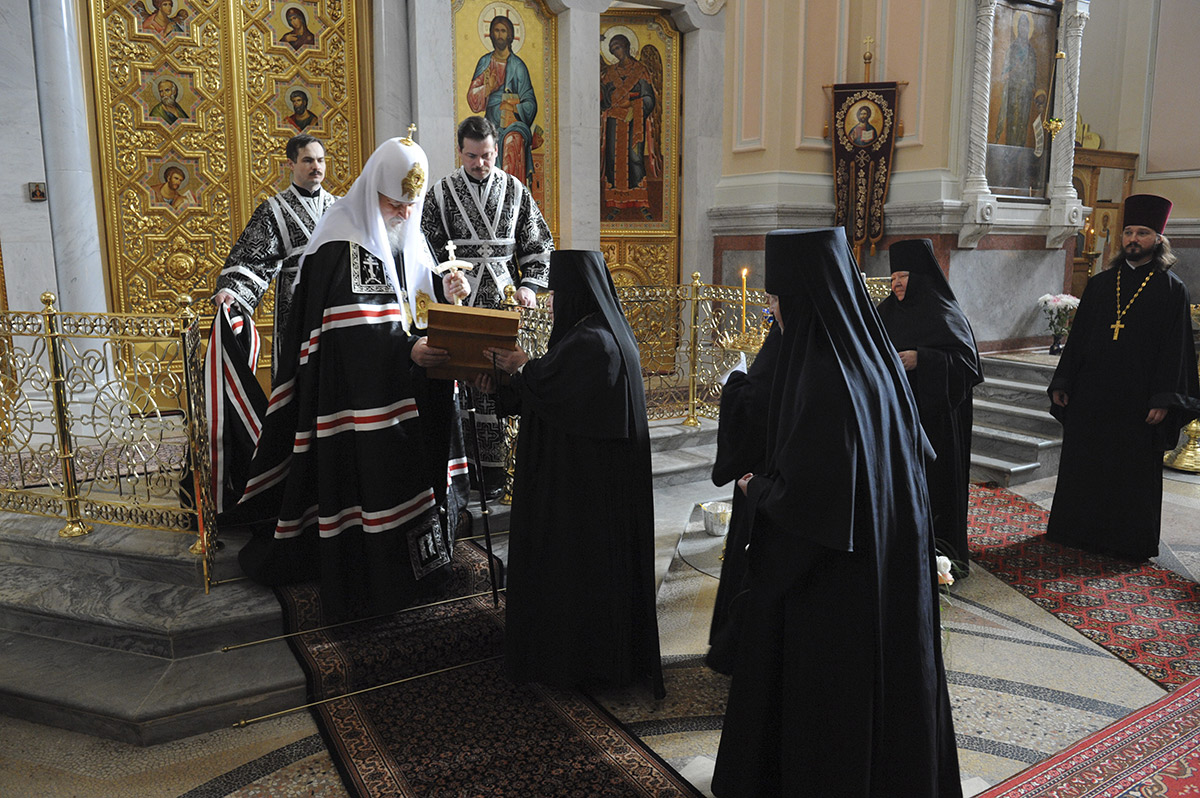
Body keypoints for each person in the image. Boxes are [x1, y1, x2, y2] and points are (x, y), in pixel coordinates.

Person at [710, 227, 961, 798]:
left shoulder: (824, 377)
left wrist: (756, 490)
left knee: (830, 717)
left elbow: (807, 509)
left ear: (801, 299)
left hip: (836, 590)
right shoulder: (874, 358)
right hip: (888, 570)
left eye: (777, 300)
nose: (773, 312)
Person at [235, 133, 472, 620]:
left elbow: (416, 300)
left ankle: (427, 559)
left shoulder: (407, 230)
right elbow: (350, 330)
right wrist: (409, 349)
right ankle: (379, 574)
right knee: (376, 480)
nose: (404, 214)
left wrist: (449, 293)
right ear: (373, 191)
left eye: (411, 205)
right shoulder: (342, 238)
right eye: (395, 203)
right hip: (358, 393)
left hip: (413, 383)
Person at [480, 249, 664, 698]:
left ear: (576, 293)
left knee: (579, 580)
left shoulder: (594, 342)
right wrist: (508, 379)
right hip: (590, 489)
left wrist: (520, 368)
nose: (549, 304)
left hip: (584, 496)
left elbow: (550, 384)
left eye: (555, 295)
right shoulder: (595, 332)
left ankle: (579, 663)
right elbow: (547, 388)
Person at [1047, 194, 1200, 562]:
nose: (1133, 239)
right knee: (1086, 464)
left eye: (1142, 233)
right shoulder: (1101, 284)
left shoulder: (1171, 289)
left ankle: (1126, 542)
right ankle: (1075, 530)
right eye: (1129, 231)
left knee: (1129, 472)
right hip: (1091, 396)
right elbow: (1079, 339)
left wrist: (1164, 398)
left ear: (1158, 240)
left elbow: (1176, 350)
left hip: (1138, 402)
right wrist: (1063, 382)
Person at [422, 115, 553, 497]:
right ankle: (472, 478)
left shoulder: (515, 190)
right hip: (461, 306)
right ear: (460, 152)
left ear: (496, 150)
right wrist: (442, 284)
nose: (480, 163)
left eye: (487, 155)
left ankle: (513, 471)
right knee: (468, 387)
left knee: (507, 381)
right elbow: (423, 251)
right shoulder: (440, 194)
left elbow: (538, 246)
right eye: (472, 156)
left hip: (506, 305)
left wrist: (529, 286)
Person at [877, 238, 983, 573]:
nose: (896, 283)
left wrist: (922, 359)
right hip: (897, 418)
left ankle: (941, 559)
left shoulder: (944, 311)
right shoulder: (884, 312)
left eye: (903, 276)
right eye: (893, 276)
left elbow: (968, 366)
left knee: (934, 489)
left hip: (937, 424)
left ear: (921, 278)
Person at [213, 134, 336, 381]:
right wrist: (233, 290)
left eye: (321, 160)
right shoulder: (274, 209)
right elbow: (253, 258)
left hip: (335, 301)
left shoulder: (340, 207)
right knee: (299, 369)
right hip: (296, 302)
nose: (316, 167)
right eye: (308, 160)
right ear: (291, 164)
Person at [705, 323, 781, 675]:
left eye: (775, 301)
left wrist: (734, 384)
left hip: (769, 480)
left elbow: (757, 403)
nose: (771, 308)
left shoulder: (789, 336)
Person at [466, 15, 537, 184]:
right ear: (491, 34)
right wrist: (487, 88)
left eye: (503, 31)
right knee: (485, 142)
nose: (500, 35)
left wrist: (514, 108)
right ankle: (489, 192)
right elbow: (472, 99)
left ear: (510, 35)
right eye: (496, 31)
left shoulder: (518, 66)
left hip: (514, 124)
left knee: (513, 139)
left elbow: (530, 103)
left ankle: (512, 192)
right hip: (491, 123)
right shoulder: (485, 62)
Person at [600, 34, 658, 221]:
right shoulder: (610, 72)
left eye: (617, 48)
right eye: (612, 50)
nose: (616, 53)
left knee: (635, 158)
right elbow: (603, 98)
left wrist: (633, 104)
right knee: (613, 159)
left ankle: (640, 203)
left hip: (634, 120)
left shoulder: (640, 71)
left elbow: (649, 99)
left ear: (626, 46)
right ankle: (615, 204)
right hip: (614, 121)